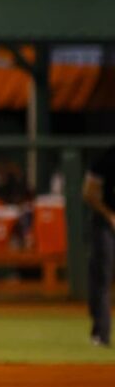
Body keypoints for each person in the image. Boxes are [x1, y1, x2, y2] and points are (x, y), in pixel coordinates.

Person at [83, 144, 115, 347]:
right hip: (106, 225)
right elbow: (88, 193)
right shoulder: (107, 158)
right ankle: (101, 333)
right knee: (102, 277)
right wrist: (110, 215)